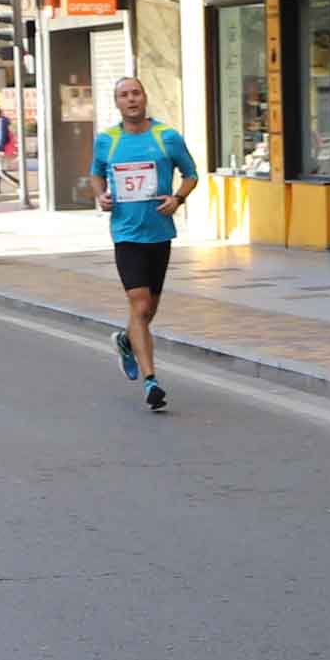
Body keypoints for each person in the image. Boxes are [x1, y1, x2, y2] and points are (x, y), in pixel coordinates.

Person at [88, 77, 198, 412]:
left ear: (144, 98)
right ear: (117, 103)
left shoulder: (167, 137)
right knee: (138, 305)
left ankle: (125, 340)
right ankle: (152, 381)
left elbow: (191, 173)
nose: (131, 99)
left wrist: (178, 199)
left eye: (136, 93)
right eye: (124, 95)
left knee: (147, 311)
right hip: (126, 235)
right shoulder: (108, 139)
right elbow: (96, 173)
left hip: (159, 234)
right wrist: (100, 196)